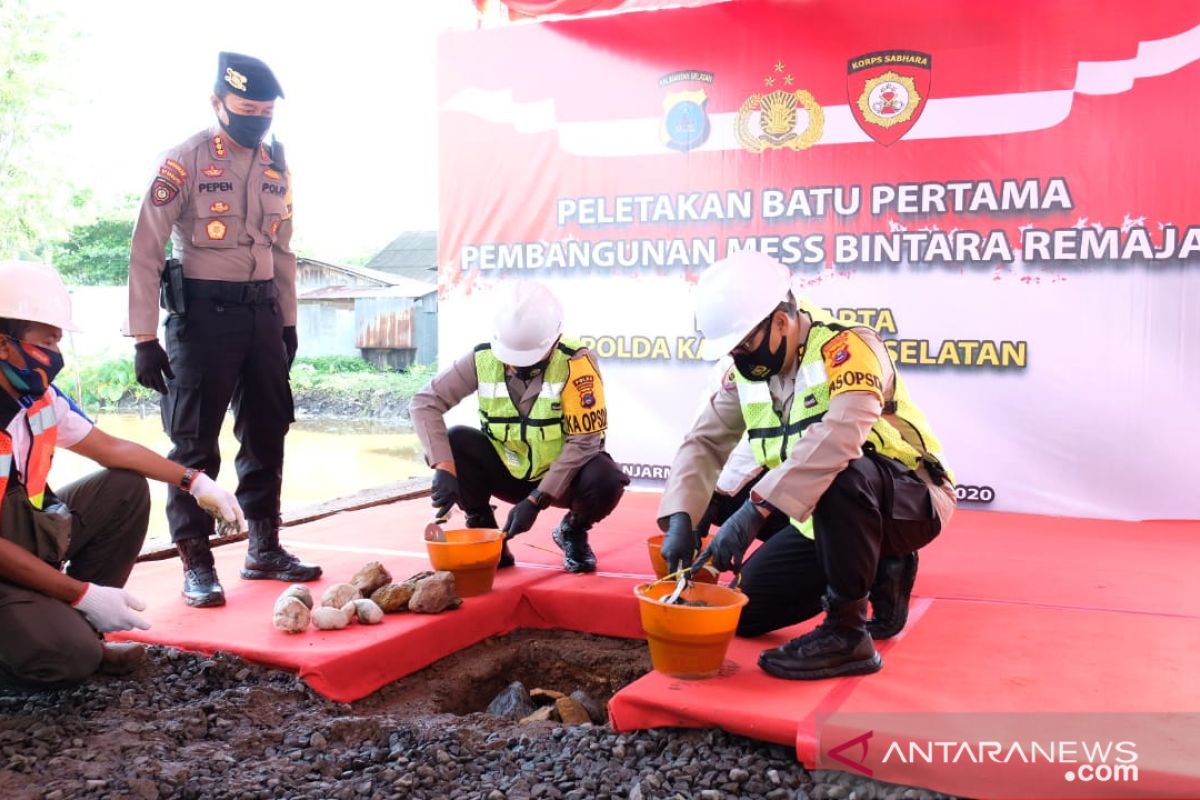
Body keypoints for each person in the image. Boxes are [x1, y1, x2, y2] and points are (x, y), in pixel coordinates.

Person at [658, 251, 955, 680]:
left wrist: (756, 509)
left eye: (743, 344)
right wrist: (683, 518)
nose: (738, 358)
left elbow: (840, 437)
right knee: (745, 611)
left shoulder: (847, 347)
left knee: (839, 470)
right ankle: (879, 568)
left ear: (780, 321)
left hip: (908, 499)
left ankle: (847, 634)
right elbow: (704, 441)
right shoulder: (747, 373)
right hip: (828, 514)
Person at [125, 52, 320, 608]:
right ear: (218, 103)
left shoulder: (276, 165)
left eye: (266, 111)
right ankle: (196, 561)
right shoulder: (183, 161)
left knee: (267, 428)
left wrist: (287, 322)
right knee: (193, 443)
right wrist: (143, 338)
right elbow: (145, 251)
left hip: (261, 316)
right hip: (203, 318)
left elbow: (283, 250)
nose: (257, 119)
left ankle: (264, 547)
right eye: (245, 108)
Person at [0, 261, 246, 688]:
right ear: (4, 346)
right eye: (47, 342)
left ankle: (76, 627)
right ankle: (48, 638)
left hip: (21, 535)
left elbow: (112, 448)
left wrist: (194, 481)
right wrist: (83, 593)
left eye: (59, 341)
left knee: (124, 488)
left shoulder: (38, 398)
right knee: (67, 659)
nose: (55, 355)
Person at [410, 281, 629, 573]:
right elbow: (425, 402)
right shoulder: (483, 359)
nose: (515, 367)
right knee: (457, 440)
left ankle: (572, 531)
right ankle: (484, 531)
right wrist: (444, 467)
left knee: (606, 479)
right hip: (508, 471)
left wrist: (537, 500)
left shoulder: (577, 362)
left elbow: (585, 440)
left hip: (561, 480)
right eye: (509, 358)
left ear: (552, 342)